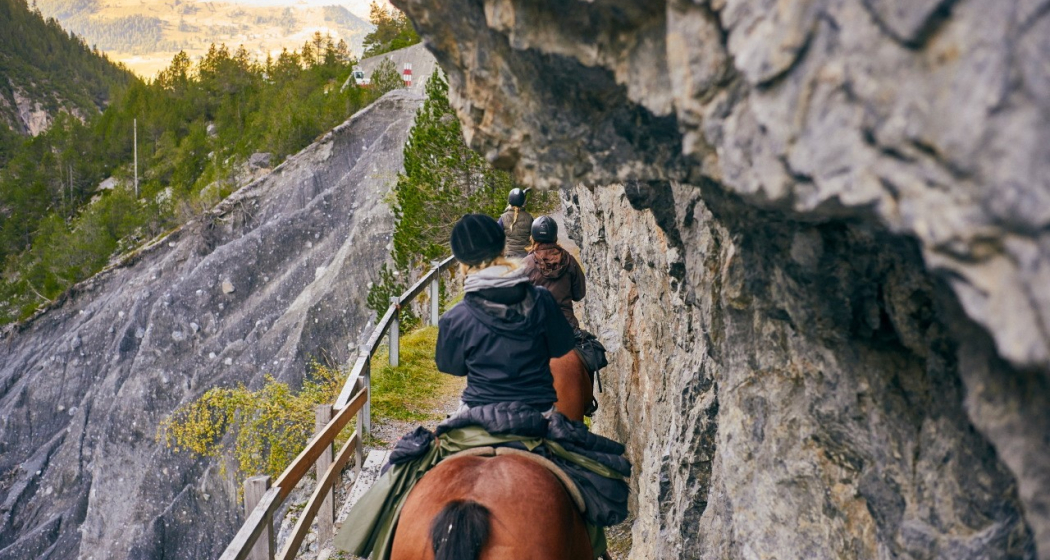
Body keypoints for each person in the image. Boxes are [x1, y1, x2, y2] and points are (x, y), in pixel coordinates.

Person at [436, 214, 576, 413]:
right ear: (502, 249)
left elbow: (450, 366)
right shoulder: (541, 300)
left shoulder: (455, 317)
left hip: (478, 411)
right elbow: (562, 347)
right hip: (537, 412)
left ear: (462, 261)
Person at [521, 215, 586, 330]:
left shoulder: (525, 264)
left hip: (538, 327)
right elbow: (579, 294)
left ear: (533, 237)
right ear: (555, 236)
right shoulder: (570, 260)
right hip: (567, 326)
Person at [497, 188, 533, 258]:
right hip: (526, 255)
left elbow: (497, 235)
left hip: (509, 256)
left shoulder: (503, 218)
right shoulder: (529, 217)